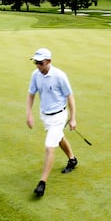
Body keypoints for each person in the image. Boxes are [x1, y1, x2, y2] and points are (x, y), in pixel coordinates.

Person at [26, 47, 78, 197]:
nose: (38, 65)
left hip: (59, 115)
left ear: (49, 61)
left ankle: (42, 182)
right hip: (45, 116)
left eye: (40, 63)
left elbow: (70, 97)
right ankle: (72, 159)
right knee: (58, 137)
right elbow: (31, 95)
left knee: (50, 147)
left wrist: (73, 118)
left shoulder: (60, 76)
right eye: (36, 62)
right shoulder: (35, 75)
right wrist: (29, 114)